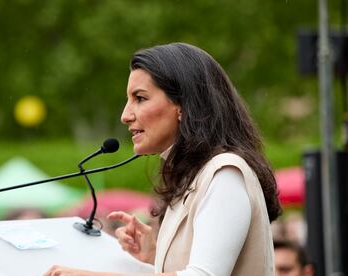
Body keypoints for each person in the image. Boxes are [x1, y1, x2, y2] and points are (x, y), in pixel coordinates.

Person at [44, 42, 282, 276]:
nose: (125, 116)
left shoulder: (225, 173)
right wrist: (156, 256)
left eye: (140, 98)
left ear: (184, 106)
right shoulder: (195, 175)